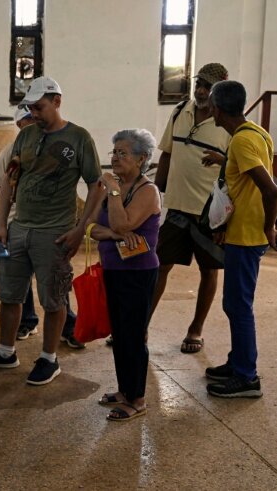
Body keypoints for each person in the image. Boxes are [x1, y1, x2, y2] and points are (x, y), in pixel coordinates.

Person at [0, 76, 103, 385]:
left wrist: (81, 229)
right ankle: (6, 352)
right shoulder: (26, 137)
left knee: (53, 298)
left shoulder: (79, 137)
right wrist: (2, 226)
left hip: (54, 232)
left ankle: (48, 358)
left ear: (57, 101)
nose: (35, 114)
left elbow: (96, 186)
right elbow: (8, 183)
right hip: (18, 229)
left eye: (40, 108)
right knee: (9, 294)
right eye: (31, 108)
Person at [204, 80, 277, 398]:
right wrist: (224, 162)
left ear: (218, 109)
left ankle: (247, 377)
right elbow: (248, 169)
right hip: (245, 233)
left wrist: (269, 227)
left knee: (238, 305)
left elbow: (271, 188)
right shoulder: (255, 133)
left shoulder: (241, 142)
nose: (210, 111)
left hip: (247, 236)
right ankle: (238, 362)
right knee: (235, 303)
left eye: (211, 105)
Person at [151, 62, 231, 354]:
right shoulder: (180, 110)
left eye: (208, 87)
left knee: (209, 270)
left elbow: (240, 168)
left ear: (219, 90)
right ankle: (141, 326)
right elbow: (167, 154)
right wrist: (156, 192)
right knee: (159, 265)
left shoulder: (229, 122)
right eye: (199, 83)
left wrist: (226, 219)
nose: (200, 90)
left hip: (209, 212)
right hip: (176, 206)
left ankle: (195, 329)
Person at [0, 107, 83, 348]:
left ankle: (68, 328)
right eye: (26, 121)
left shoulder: (57, 151)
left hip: (49, 230)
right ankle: (25, 325)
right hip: (14, 228)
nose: (32, 124)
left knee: (54, 288)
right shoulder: (9, 152)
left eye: (35, 119)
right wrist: (5, 222)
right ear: (19, 125)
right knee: (13, 287)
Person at [89, 129, 161, 421]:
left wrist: (114, 192)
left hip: (138, 273)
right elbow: (93, 227)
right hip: (113, 269)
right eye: (114, 152)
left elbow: (122, 224)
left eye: (123, 153)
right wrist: (114, 236)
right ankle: (124, 390)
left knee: (133, 335)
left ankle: (138, 399)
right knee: (119, 334)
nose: (116, 158)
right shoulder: (112, 188)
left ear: (142, 158)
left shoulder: (147, 191)